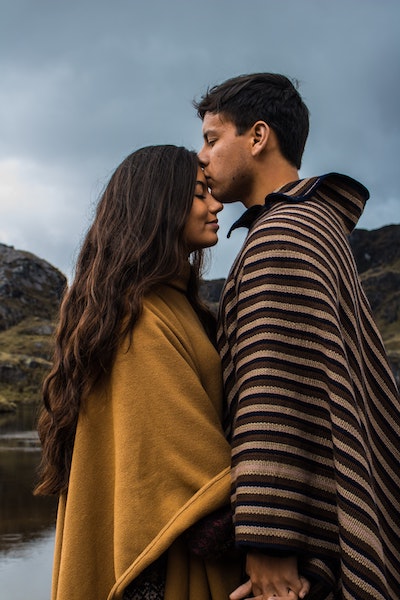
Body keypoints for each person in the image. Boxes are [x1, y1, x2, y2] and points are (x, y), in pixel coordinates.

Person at [195, 73, 400, 600]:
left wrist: (268, 547)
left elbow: (273, 395)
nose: (202, 156)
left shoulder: (282, 234)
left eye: (212, 138)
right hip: (320, 529)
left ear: (258, 137)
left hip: (292, 562)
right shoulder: (316, 224)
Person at [34, 145, 243, 600]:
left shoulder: (158, 302)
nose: (216, 205)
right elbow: (183, 473)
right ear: (158, 205)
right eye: (199, 193)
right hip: (160, 567)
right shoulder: (142, 317)